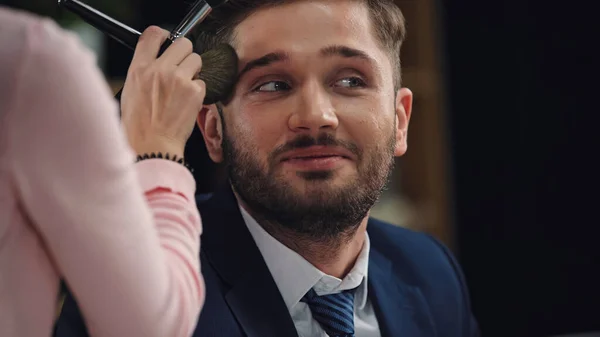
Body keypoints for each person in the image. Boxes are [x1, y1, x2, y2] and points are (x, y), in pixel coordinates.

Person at [55, 0, 480, 336]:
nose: (315, 116)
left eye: (350, 80)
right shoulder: (132, 289)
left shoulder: (430, 272)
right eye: (272, 84)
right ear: (213, 132)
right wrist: (155, 151)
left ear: (400, 120)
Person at [0, 7, 209, 337]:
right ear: (211, 125)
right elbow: (147, 328)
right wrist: (158, 143)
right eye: (274, 86)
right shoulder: (31, 61)